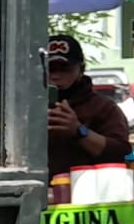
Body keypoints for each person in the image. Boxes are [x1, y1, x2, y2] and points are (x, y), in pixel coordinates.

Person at [46, 33, 130, 179]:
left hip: (86, 187)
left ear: (81, 70)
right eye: (50, 69)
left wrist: (79, 130)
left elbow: (120, 153)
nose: (56, 76)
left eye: (65, 68)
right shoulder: (26, 107)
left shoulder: (103, 108)